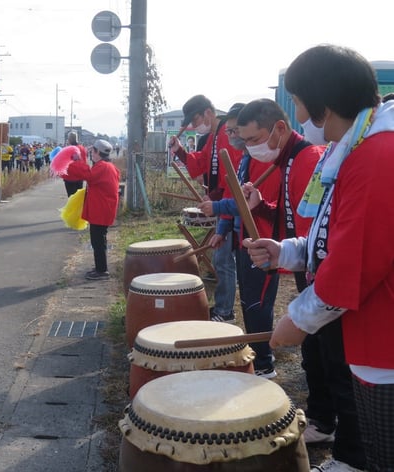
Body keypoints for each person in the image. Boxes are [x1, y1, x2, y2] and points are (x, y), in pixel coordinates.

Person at [244, 45, 394, 472]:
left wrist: (298, 320)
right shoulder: (349, 149)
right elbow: (328, 235)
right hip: (369, 330)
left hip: (384, 335)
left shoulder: (378, 154)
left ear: (322, 107)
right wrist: (286, 251)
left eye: (297, 101)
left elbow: (354, 261)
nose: (296, 113)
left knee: (385, 452)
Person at [198, 103, 282, 378]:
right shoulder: (243, 158)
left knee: (258, 303)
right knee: (247, 301)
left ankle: (264, 364)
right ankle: (258, 357)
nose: (236, 138)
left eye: (241, 133)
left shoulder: (266, 159)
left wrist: (219, 208)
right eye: (233, 132)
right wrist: (222, 230)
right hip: (243, 238)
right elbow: (236, 196)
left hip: (263, 240)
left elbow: (245, 203)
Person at [169, 95, 242, 323]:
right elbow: (200, 161)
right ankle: (223, 308)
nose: (194, 124)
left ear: (209, 112)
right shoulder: (213, 136)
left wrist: (217, 200)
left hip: (231, 205)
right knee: (222, 258)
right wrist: (180, 151)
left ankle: (225, 311)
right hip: (223, 203)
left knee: (223, 259)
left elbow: (234, 175)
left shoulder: (225, 134)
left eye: (196, 118)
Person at [65, 139, 120, 280]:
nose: (90, 154)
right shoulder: (107, 166)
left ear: (97, 152)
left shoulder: (102, 167)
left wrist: (76, 162)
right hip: (103, 208)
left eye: (92, 151)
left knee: (98, 241)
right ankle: (100, 268)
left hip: (101, 209)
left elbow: (87, 175)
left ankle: (102, 270)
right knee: (98, 240)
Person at [62, 131, 86, 196]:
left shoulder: (68, 149)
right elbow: (84, 162)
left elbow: (64, 163)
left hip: (70, 176)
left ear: (69, 139)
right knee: (78, 198)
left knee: (71, 198)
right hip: (79, 176)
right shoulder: (82, 148)